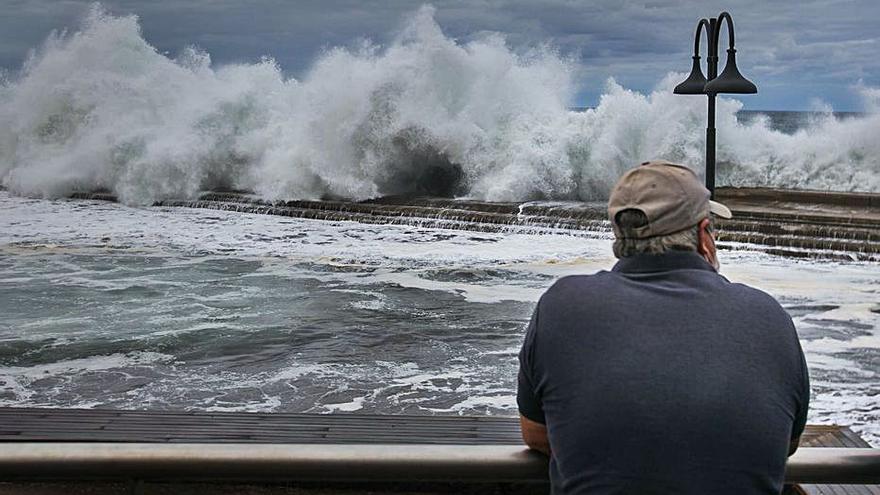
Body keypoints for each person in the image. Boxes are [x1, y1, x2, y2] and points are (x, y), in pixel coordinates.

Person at [517, 160, 810, 495]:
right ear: (703, 236)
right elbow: (785, 442)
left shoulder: (561, 306)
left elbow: (536, 434)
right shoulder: (768, 315)